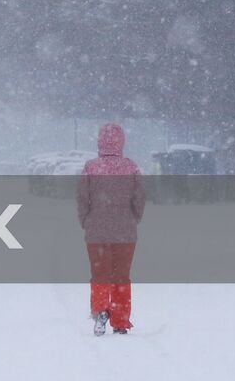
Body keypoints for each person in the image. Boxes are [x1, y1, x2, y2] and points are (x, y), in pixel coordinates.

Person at [76, 123, 146, 336]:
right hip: (125, 232)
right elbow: (140, 198)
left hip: (96, 231)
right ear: (121, 142)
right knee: (122, 275)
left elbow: (82, 198)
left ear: (99, 142)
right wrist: (133, 218)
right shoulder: (131, 167)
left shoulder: (91, 167)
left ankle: (100, 312)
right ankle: (121, 320)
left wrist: (86, 220)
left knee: (99, 274)